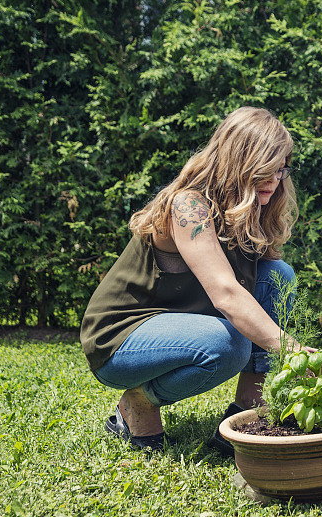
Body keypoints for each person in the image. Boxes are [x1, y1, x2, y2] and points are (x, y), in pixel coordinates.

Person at [80, 107, 299, 452]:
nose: (275, 179)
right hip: (120, 338)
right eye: (264, 168)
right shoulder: (188, 206)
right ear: (236, 162)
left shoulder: (252, 208)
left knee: (278, 276)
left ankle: (247, 412)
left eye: (280, 168)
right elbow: (226, 295)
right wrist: (295, 351)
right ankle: (138, 402)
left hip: (179, 328)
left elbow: (260, 290)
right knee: (229, 344)